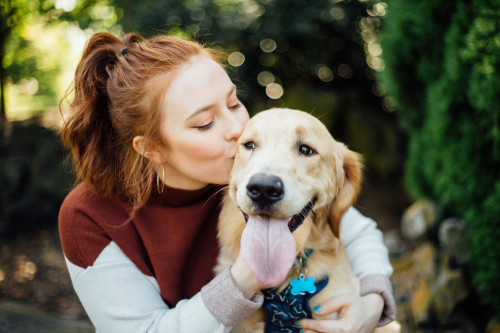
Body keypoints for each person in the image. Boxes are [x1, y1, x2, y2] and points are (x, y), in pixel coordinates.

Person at [59, 31, 396, 333]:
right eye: (205, 123)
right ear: (152, 148)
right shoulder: (87, 217)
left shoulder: (249, 169)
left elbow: (357, 230)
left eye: (234, 102)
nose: (239, 130)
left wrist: (372, 305)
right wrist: (248, 275)